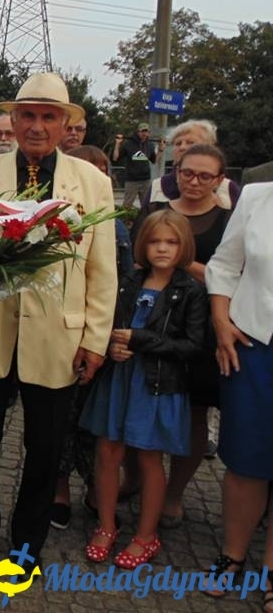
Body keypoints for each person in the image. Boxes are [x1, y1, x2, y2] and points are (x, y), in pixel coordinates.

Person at [0, 72, 117, 566]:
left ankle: (27, 543)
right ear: (12, 119)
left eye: (48, 116)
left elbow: (102, 270)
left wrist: (95, 340)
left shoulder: (92, 183)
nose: (35, 126)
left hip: (58, 337)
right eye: (27, 115)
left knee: (44, 447)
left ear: (64, 123)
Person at [79, 210, 207, 568]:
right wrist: (111, 346)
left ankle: (146, 535)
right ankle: (106, 525)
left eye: (171, 242)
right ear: (141, 244)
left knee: (150, 456)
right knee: (107, 451)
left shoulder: (190, 291)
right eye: (154, 241)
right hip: (120, 378)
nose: (162, 249)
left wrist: (141, 340)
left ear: (184, 246)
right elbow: (109, 322)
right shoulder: (128, 282)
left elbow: (193, 345)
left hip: (158, 384)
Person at [133, 144, 233, 528]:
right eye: (187, 172)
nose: (194, 181)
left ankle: (174, 494)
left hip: (200, 330)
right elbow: (139, 261)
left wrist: (182, 262)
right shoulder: (157, 212)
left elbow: (228, 277)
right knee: (141, 402)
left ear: (219, 180)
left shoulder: (228, 221)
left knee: (193, 414)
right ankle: (138, 482)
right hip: (150, 325)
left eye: (205, 176)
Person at [49, 144, 134, 530]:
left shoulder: (108, 214)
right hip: (29, 332)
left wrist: (100, 337)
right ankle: (57, 488)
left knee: (82, 422)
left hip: (82, 333)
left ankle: (88, 489)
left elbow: (111, 278)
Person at [202, 181, 273, 611]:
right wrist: (221, 320)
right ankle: (233, 553)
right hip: (254, 345)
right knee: (246, 458)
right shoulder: (258, 196)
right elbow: (225, 266)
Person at [144, 119, 239, 209]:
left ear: (210, 147)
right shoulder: (157, 187)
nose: (182, 147)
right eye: (178, 143)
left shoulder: (228, 189)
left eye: (190, 143)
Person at [113, 122, 157, 209]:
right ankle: (125, 222)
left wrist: (161, 150)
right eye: (142, 131)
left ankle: (144, 221)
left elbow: (154, 161)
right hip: (131, 180)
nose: (144, 134)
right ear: (138, 132)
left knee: (146, 206)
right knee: (127, 205)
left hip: (145, 179)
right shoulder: (129, 144)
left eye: (146, 131)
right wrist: (117, 144)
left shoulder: (150, 145)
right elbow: (115, 158)